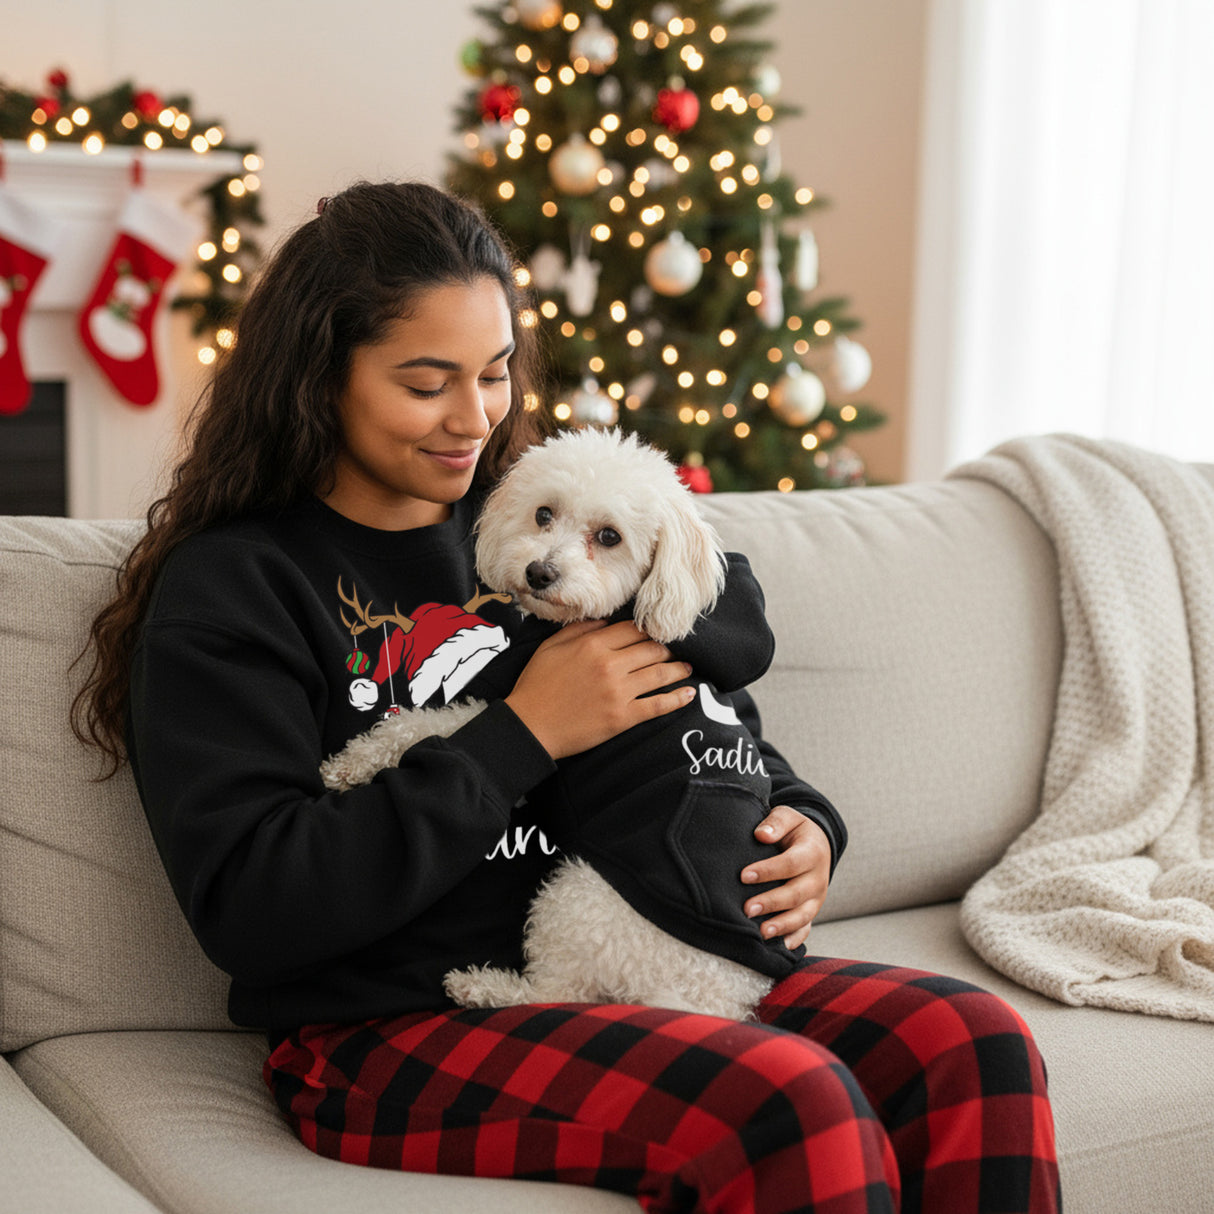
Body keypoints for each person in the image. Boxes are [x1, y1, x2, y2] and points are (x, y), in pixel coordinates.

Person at [73, 181, 1060, 1213]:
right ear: (320, 378)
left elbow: (700, 723)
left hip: (660, 939)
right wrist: (525, 733)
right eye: (426, 382)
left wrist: (802, 822)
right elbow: (253, 907)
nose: (474, 416)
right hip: (392, 1018)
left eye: (495, 373)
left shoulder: (536, 514)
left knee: (969, 1041)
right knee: (787, 1103)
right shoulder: (237, 586)